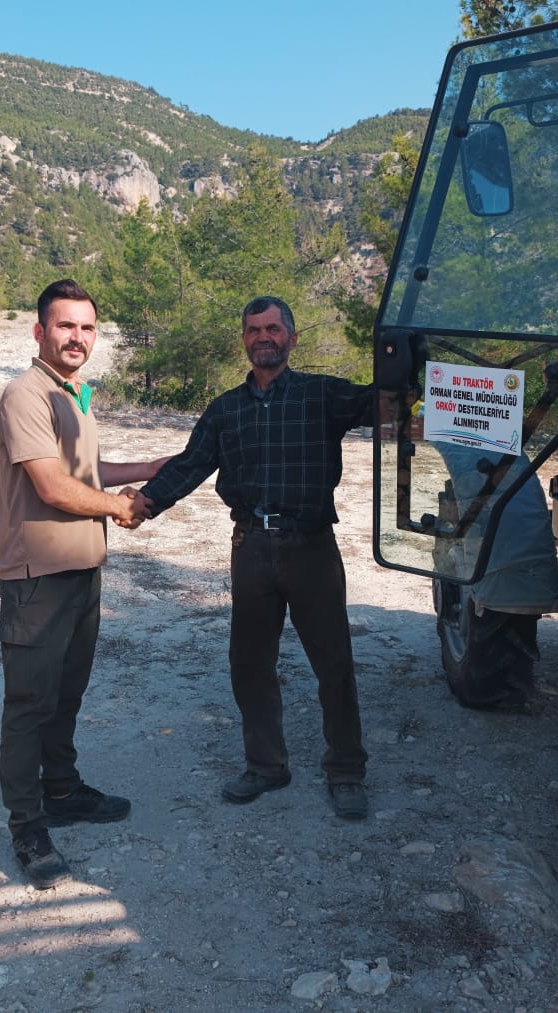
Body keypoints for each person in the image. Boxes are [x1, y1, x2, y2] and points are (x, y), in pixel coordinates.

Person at [132, 296, 374, 820]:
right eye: (252, 330)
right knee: (250, 661)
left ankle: (347, 770)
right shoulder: (226, 409)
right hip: (250, 548)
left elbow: (385, 402)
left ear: (291, 336)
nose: (262, 337)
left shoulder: (322, 395)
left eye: (272, 329)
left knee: (332, 661)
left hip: (311, 545)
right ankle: (266, 766)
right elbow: (192, 463)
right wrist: (145, 503)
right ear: (243, 339)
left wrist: (413, 361)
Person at [0, 279, 165, 889]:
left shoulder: (75, 394)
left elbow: (84, 472)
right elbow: (51, 486)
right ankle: (28, 829)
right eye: (65, 326)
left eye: (87, 328)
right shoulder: (26, 395)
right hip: (37, 577)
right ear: (39, 331)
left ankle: (61, 791)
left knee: (66, 694)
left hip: (81, 571)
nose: (77, 338)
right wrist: (119, 509)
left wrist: (148, 470)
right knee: (29, 705)